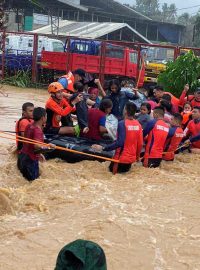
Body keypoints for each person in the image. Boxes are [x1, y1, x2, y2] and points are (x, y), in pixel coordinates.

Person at [92, 102, 143, 174]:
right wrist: (137, 157)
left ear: (125, 111)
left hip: (120, 158)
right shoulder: (138, 125)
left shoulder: (122, 123)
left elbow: (120, 142)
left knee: (110, 176)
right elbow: (140, 143)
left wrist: (103, 148)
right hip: (131, 159)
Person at [17, 107, 53, 181]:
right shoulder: (38, 130)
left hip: (21, 157)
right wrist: (49, 147)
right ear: (43, 118)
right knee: (33, 184)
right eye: (46, 116)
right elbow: (36, 146)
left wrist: (40, 154)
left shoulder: (29, 126)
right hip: (30, 162)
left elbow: (29, 144)